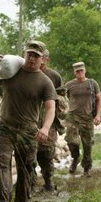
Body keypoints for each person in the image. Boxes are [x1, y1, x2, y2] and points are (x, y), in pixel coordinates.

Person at [0, 40, 57, 202]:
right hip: (5, 127)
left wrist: (45, 128)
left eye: (36, 56)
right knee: (1, 163)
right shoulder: (10, 72)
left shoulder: (45, 82)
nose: (32, 58)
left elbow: (50, 108)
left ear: (42, 59)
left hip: (28, 131)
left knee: (26, 168)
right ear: (25, 54)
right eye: (30, 54)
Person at [64, 62, 101, 177]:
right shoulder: (69, 85)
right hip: (72, 117)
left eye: (81, 70)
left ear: (85, 71)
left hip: (87, 117)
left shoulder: (92, 84)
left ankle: (87, 168)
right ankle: (75, 158)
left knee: (87, 144)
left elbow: (99, 100)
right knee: (71, 141)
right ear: (74, 72)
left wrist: (98, 115)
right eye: (77, 71)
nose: (79, 73)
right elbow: (61, 99)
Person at [34, 49, 64, 192]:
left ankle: (48, 181)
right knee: (29, 153)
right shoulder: (26, 73)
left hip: (48, 120)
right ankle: (30, 181)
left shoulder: (54, 76)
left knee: (47, 153)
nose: (39, 60)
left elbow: (62, 98)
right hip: (30, 120)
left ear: (46, 59)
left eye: (42, 57)